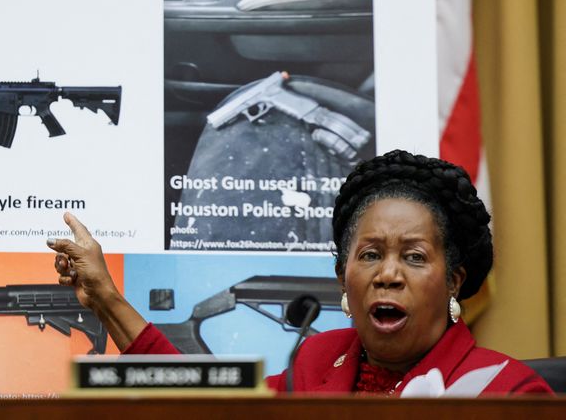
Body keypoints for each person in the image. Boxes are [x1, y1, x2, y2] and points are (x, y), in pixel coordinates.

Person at [47, 149, 553, 395]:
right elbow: (206, 404)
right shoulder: (317, 360)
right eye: (370, 255)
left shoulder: (507, 390)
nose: (388, 274)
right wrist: (107, 298)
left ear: (455, 280)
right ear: (342, 279)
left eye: (415, 257)